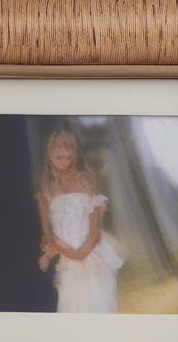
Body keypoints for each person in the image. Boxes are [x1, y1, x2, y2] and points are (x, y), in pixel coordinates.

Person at [36, 129, 123, 313]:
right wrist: (49, 252)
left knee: (95, 305)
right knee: (71, 308)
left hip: (92, 257)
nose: (61, 152)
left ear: (75, 152)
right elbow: (49, 234)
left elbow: (94, 231)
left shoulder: (87, 180)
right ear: (49, 152)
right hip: (67, 262)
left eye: (67, 147)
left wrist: (78, 252)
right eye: (56, 148)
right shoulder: (45, 189)